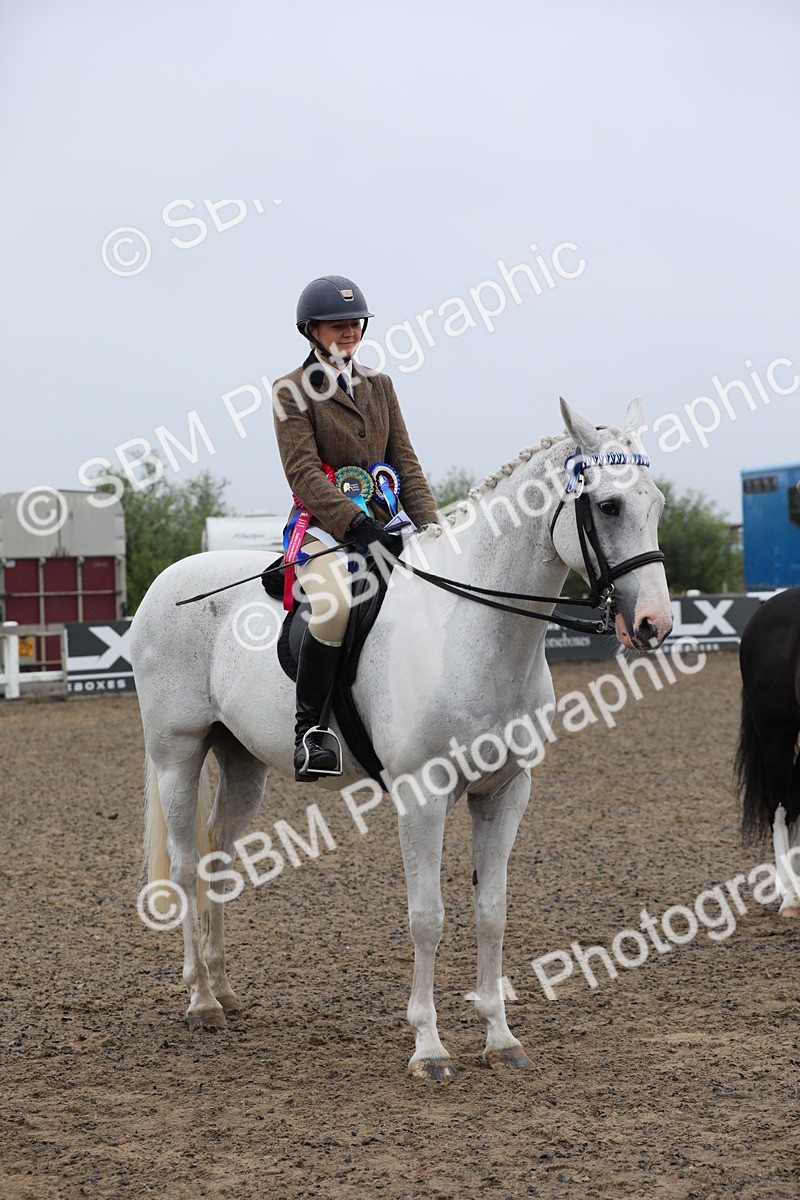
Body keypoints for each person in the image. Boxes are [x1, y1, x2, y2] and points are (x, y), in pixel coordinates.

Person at [273, 275, 440, 781]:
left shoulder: (380, 386)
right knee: (334, 606)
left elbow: (404, 464)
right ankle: (310, 734)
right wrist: (355, 524)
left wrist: (435, 530)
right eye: (337, 325)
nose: (349, 333)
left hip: (389, 525)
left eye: (354, 324)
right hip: (325, 530)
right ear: (311, 330)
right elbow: (302, 472)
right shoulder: (291, 392)